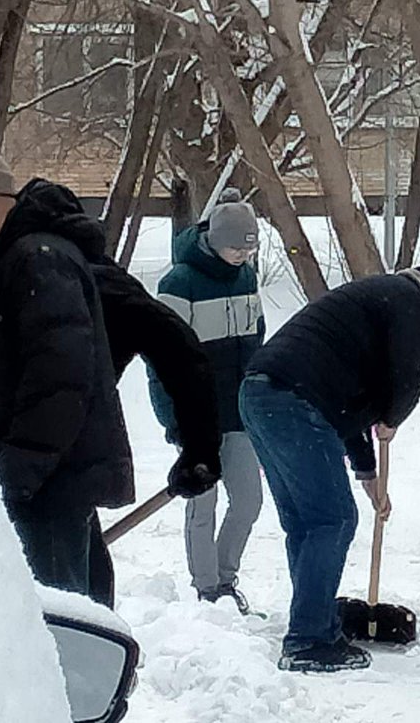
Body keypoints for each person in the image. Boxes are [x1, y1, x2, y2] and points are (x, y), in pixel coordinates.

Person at [0, 135, 134, 601]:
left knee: (58, 631)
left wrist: (13, 476)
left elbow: (60, 383)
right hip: (36, 486)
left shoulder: (38, 261)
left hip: (46, 491)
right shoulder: (0, 264)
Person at [238, 254, 420, 673]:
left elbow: (345, 410)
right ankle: (308, 639)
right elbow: (406, 376)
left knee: (306, 522)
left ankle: (314, 621)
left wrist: (368, 474)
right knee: (332, 521)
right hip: (293, 400)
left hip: (259, 395)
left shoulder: (372, 302)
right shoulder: (407, 302)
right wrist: (393, 418)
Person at [149, 189, 266, 612]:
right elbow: (162, 356)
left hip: (239, 413)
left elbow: (257, 339)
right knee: (204, 502)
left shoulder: (247, 277)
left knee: (249, 500)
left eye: (248, 249)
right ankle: (206, 587)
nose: (241, 256)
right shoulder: (179, 283)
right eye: (235, 247)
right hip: (197, 416)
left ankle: (225, 575)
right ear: (216, 240)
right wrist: (173, 417)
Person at [89, 254, 224, 607]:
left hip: (62, 467)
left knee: (72, 584)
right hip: (42, 465)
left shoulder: (91, 282)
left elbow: (180, 354)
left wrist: (198, 448)